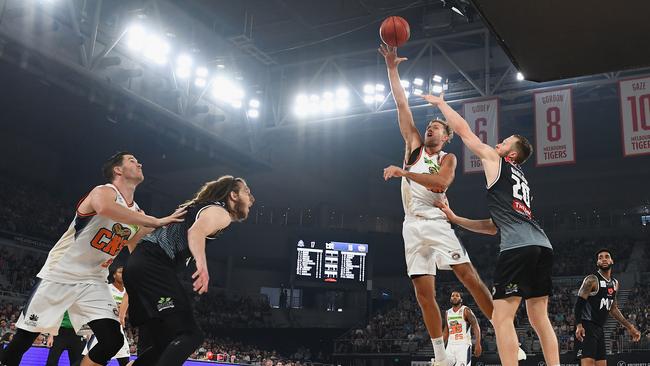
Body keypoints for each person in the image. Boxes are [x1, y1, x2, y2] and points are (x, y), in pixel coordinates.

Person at [0, 152, 185, 366]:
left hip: (95, 281)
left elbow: (139, 251)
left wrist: (181, 231)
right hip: (61, 273)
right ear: (118, 170)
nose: (140, 163)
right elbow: (106, 209)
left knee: (112, 340)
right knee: (25, 338)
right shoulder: (104, 192)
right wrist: (155, 221)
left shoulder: (137, 213)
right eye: (132, 160)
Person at [423, 92, 558, 366]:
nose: (498, 142)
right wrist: (455, 217)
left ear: (512, 153)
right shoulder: (522, 181)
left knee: (500, 317)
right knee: (538, 318)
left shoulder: (496, 161)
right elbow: (492, 227)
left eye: (505, 141)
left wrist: (441, 104)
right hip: (542, 246)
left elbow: (464, 132)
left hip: (518, 248)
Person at [378, 44, 493, 366]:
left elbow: (441, 184)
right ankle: (439, 355)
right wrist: (391, 69)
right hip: (410, 225)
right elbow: (402, 104)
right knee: (423, 295)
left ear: (446, 137)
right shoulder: (413, 148)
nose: (430, 129)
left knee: (467, 276)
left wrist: (403, 173)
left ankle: (502, 327)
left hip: (436, 220)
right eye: (429, 126)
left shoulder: (448, 158)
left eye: (437, 128)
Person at [123, 175, 254, 365]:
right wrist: (202, 266)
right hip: (153, 265)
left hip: (139, 267)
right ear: (233, 195)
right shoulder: (220, 212)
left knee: (166, 343)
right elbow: (196, 232)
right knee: (191, 335)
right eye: (247, 192)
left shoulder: (198, 206)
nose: (252, 198)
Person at [574, 249, 640, 365]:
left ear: (612, 261)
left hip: (599, 329)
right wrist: (579, 325)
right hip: (587, 327)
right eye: (600, 257)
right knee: (588, 363)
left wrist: (630, 327)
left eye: (606, 256)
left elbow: (613, 309)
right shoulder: (591, 280)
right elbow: (578, 304)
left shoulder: (615, 283)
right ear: (597, 263)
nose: (603, 259)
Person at [83, 265, 132, 365]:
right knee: (93, 359)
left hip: (119, 329)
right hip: (104, 328)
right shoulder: (107, 289)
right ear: (114, 275)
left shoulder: (128, 292)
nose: (123, 275)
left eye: (124, 273)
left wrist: (123, 312)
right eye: (120, 272)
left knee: (125, 360)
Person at [443, 291, 481, 366]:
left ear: (461, 299)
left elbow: (476, 327)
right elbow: (446, 331)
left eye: (457, 296)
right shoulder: (447, 312)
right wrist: (440, 346)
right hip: (450, 345)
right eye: (452, 295)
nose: (454, 297)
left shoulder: (466, 310)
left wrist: (478, 343)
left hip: (463, 345)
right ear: (450, 299)